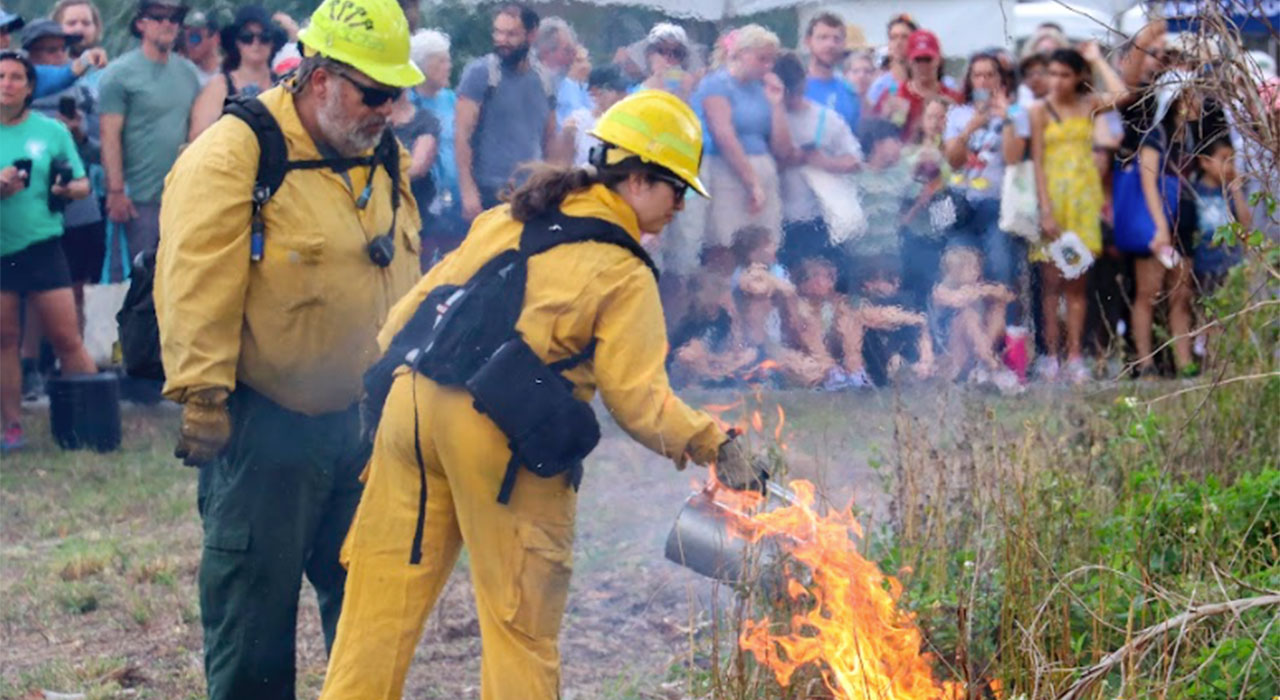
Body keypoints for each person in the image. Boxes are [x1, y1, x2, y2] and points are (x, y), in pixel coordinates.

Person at [318, 89, 763, 700]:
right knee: (520, 629)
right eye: (676, 188)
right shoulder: (623, 269)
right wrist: (717, 445)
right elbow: (639, 402)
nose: (681, 205)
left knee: (377, 612)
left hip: (410, 406)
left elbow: (404, 318)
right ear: (635, 179)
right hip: (501, 438)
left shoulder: (509, 218)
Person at [153, 0, 424, 694]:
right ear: (321, 76)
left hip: (364, 425)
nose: (387, 111)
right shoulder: (237, 149)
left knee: (368, 603)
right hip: (265, 426)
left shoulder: (379, 151)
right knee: (253, 615)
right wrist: (204, 395)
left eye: (397, 96)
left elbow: (405, 266)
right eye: (375, 93)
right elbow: (194, 280)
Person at [1, 48, 98, 451]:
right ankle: (11, 427)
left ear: (29, 88)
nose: (6, 84)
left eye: (15, 78)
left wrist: (66, 189)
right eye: (0, 76)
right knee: (4, 339)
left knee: (66, 338)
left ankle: (96, 418)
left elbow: (82, 183)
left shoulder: (51, 131)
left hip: (42, 245)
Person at [1029, 44, 1126, 384]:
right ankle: (1051, 355)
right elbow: (1038, 162)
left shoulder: (1088, 105)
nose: (1057, 80)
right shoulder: (1039, 110)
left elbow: (1121, 94)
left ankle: (1074, 356)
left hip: (1083, 204)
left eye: (1065, 74)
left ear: (1078, 76)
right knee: (1051, 284)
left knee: (1078, 284)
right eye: (1052, 73)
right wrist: (1045, 208)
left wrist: (1097, 58)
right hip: (1055, 202)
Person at [23, 19, 104, 395]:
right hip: (31, 206)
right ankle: (32, 366)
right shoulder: (19, 95)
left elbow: (96, 152)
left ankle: (71, 370)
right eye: (46, 51)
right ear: (30, 56)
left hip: (77, 203)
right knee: (29, 293)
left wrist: (79, 134)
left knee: (73, 289)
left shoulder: (85, 94)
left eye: (61, 50)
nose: (56, 57)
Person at [98, 0, 199, 263]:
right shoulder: (118, 74)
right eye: (158, 16)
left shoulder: (189, 73)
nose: (167, 23)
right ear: (140, 23)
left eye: (175, 17)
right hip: (138, 199)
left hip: (181, 197)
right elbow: (109, 135)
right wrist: (116, 191)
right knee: (141, 279)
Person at [695, 24, 792, 261]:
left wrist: (777, 104)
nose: (768, 67)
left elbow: (782, 148)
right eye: (762, 59)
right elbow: (723, 133)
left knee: (767, 245)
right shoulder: (716, 84)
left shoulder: (763, 89)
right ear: (741, 53)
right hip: (727, 169)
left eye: (771, 61)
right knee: (726, 243)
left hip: (764, 165)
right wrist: (752, 182)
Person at [455, 3, 558, 221]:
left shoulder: (545, 80)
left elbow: (550, 139)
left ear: (531, 35)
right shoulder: (481, 74)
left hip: (530, 194)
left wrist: (551, 186)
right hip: (489, 192)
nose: (502, 40)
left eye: (511, 34)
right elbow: (462, 135)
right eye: (498, 32)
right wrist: (467, 190)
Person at [942, 51, 1026, 295]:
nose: (984, 81)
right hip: (962, 205)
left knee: (1000, 271)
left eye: (990, 75)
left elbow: (1014, 158)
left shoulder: (1016, 113)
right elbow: (953, 160)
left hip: (996, 205)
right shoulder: (958, 114)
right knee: (960, 275)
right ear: (970, 80)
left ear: (1000, 80)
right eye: (978, 75)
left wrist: (1007, 119)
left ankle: (1004, 330)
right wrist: (970, 128)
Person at [773, 51, 861, 272]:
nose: (792, 98)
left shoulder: (826, 118)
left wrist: (824, 162)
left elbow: (856, 161)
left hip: (818, 219)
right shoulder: (766, 118)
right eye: (787, 92)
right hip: (776, 220)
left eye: (796, 90)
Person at [187, 6, 281, 139]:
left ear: (273, 42)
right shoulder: (219, 87)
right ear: (237, 42)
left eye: (264, 37)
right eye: (247, 37)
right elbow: (197, 139)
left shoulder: (284, 85)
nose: (256, 43)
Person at [408, 28, 461, 264]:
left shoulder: (452, 100)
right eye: (441, 60)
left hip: (455, 202)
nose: (448, 66)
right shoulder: (406, 103)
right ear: (421, 64)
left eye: (448, 59)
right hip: (421, 202)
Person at [876, 29, 961, 140]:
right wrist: (885, 117)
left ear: (938, 60)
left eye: (927, 59)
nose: (923, 65)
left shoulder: (954, 98)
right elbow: (876, 136)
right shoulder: (895, 94)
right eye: (918, 60)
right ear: (909, 61)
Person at [1, 9, 106, 98]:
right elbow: (38, 76)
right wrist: (83, 62)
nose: (7, 38)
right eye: (51, 50)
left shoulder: (86, 86)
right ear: (31, 54)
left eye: (63, 48)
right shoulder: (25, 78)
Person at [390, 89, 440, 265]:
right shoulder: (374, 118)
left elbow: (418, 167)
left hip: (417, 207)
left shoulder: (425, 120)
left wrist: (383, 174)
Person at [559, 64, 628, 166]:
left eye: (623, 90)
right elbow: (564, 163)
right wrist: (567, 135)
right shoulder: (579, 121)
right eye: (615, 90)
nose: (623, 95)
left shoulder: (628, 123)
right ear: (595, 92)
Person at [803, 12, 859, 131]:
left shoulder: (850, 92)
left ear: (844, 44)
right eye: (823, 37)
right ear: (808, 42)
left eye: (836, 39)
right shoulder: (795, 87)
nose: (830, 44)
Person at [866, 13, 917, 107]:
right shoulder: (880, 86)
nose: (898, 42)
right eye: (893, 37)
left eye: (904, 37)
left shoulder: (931, 82)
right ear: (889, 44)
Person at [637, 22, 697, 101]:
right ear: (649, 54)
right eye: (662, 51)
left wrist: (685, 90)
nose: (668, 57)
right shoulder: (633, 95)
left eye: (677, 53)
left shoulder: (690, 88)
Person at [177, 10, 219, 87]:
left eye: (195, 37)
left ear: (215, 39)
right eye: (185, 37)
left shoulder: (230, 76)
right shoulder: (181, 75)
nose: (189, 44)